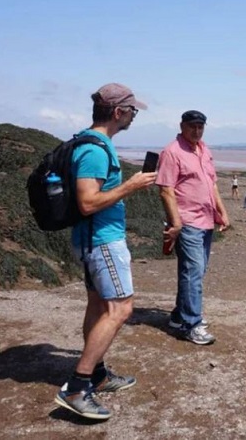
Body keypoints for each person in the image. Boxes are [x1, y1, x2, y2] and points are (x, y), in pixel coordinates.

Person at [54, 83, 157, 420]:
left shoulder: (91, 143)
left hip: (91, 240)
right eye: (132, 110)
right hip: (102, 241)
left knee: (98, 306)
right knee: (121, 309)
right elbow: (87, 202)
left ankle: (97, 374)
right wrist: (130, 186)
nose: (134, 116)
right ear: (118, 112)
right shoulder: (95, 150)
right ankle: (77, 387)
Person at [156, 110, 230, 345]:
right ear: (182, 126)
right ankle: (191, 324)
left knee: (196, 270)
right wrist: (176, 222)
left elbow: (212, 184)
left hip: (206, 220)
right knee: (193, 272)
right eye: (192, 126)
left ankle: (180, 316)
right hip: (187, 221)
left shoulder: (204, 149)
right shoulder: (172, 152)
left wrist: (222, 211)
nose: (197, 131)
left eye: (200, 127)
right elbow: (165, 190)